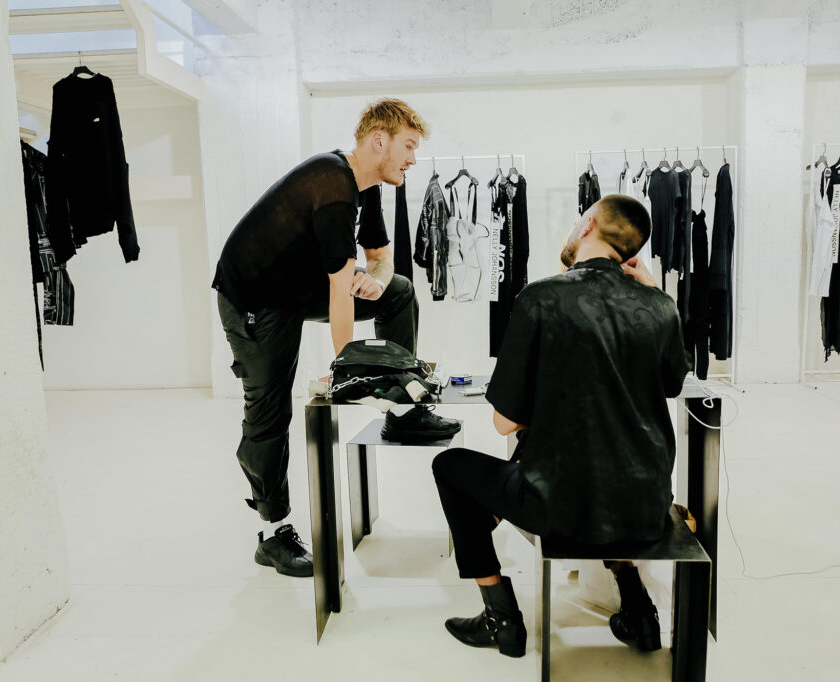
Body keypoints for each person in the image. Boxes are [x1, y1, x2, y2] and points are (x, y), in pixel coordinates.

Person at [432, 195, 689, 657]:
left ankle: (501, 619)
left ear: (588, 224)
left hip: (562, 510)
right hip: (647, 506)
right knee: (605, 450)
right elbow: (672, 384)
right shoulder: (660, 306)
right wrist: (655, 293)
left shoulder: (540, 299)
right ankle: (639, 610)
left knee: (450, 467)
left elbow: (504, 423)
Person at [213, 99, 459, 578]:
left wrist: (377, 281)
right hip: (255, 300)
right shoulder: (333, 182)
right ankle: (273, 533)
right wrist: (345, 371)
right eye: (409, 147)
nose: (413, 159)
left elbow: (382, 260)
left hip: (296, 286)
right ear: (379, 141)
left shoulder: (368, 186)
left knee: (399, 292)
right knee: (268, 411)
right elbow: (339, 290)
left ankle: (403, 410)